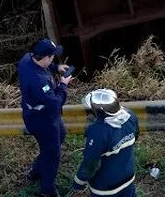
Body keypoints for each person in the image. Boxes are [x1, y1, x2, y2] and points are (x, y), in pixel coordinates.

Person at [18, 37, 72, 197]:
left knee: (59, 137)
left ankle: (35, 173)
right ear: (46, 57)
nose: (54, 58)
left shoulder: (27, 59)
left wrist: (56, 68)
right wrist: (63, 84)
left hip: (41, 116)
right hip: (43, 120)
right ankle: (48, 191)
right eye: (53, 57)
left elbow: (45, 68)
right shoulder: (39, 82)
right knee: (52, 154)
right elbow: (56, 103)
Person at [71, 89, 139, 196]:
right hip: (128, 177)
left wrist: (79, 182)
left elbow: (90, 163)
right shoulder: (130, 116)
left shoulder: (98, 132)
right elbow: (135, 136)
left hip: (105, 187)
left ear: (101, 112)